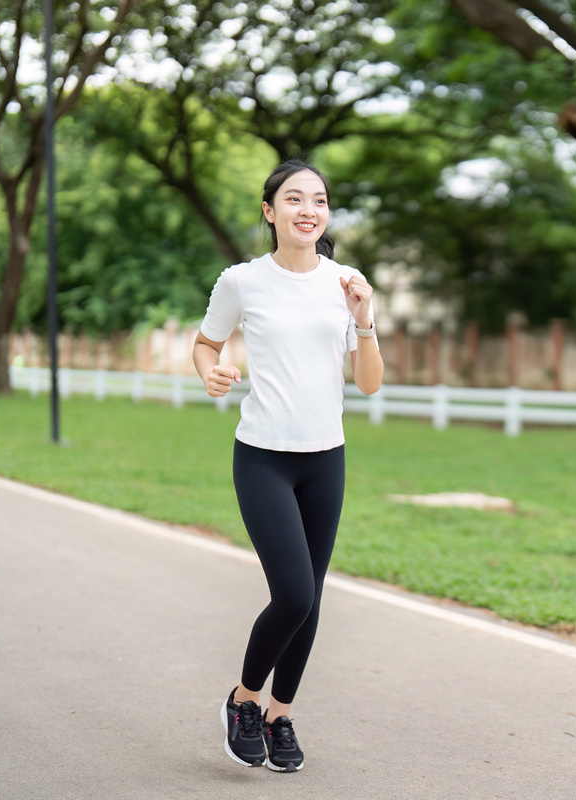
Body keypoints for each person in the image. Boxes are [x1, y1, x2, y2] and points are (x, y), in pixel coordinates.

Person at [193, 159, 384, 772]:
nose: (309, 210)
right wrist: (211, 372)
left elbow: (371, 384)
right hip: (264, 458)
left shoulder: (346, 282)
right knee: (294, 593)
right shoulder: (243, 282)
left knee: (312, 598)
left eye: (320, 200)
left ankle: (280, 715)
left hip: (325, 459)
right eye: (295, 199)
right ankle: (243, 699)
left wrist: (365, 319)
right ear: (271, 211)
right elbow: (206, 343)